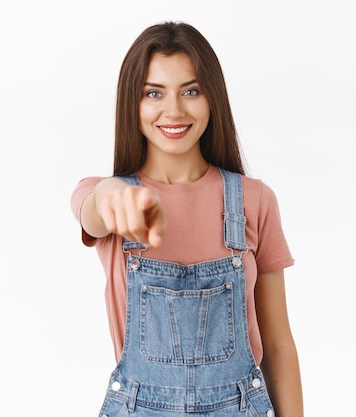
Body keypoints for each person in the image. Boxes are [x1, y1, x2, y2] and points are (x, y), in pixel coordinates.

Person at [70, 22, 303, 416]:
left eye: (190, 91)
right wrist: (112, 195)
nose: (173, 110)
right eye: (153, 93)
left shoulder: (254, 200)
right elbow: (92, 210)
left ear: (213, 97)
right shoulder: (109, 198)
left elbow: (278, 344)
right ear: (132, 103)